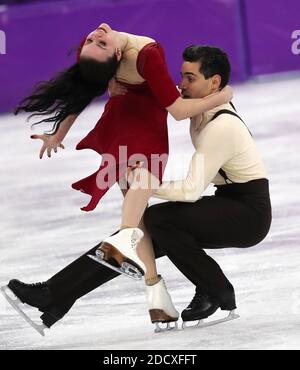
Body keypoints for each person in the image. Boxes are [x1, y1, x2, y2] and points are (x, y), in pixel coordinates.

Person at [7, 24, 232, 330]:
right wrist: (58, 133)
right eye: (94, 41)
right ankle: (157, 300)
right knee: (138, 221)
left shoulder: (146, 53)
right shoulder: (114, 56)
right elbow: (85, 92)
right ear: (114, 55)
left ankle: (118, 250)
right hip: (122, 123)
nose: (98, 32)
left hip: (147, 128)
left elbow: (177, 110)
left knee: (137, 207)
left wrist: (220, 98)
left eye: (97, 40)